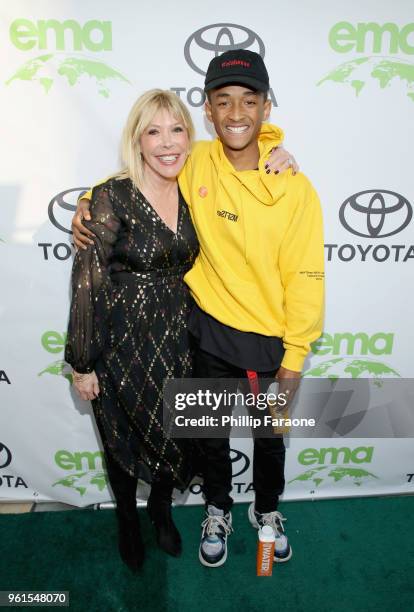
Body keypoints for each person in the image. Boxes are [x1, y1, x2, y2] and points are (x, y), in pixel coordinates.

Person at [71, 54, 311, 569]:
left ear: (267, 106)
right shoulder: (195, 161)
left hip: (252, 338)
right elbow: (136, 177)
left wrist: (296, 353)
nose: (237, 112)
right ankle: (213, 509)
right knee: (204, 437)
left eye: (250, 100)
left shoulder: (290, 184)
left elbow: (306, 275)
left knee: (267, 436)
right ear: (209, 111)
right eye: (223, 101)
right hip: (193, 333)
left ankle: (267, 510)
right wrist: (87, 202)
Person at [65, 89, 200, 570]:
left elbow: (248, 154)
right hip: (120, 343)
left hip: (180, 341)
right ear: (137, 140)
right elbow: (87, 280)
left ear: (190, 136)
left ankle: (161, 513)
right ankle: (127, 518)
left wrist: (280, 152)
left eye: (177, 129)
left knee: (174, 433)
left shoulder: (198, 186)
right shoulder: (112, 195)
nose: (167, 143)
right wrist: (81, 361)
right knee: (121, 441)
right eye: (154, 131)